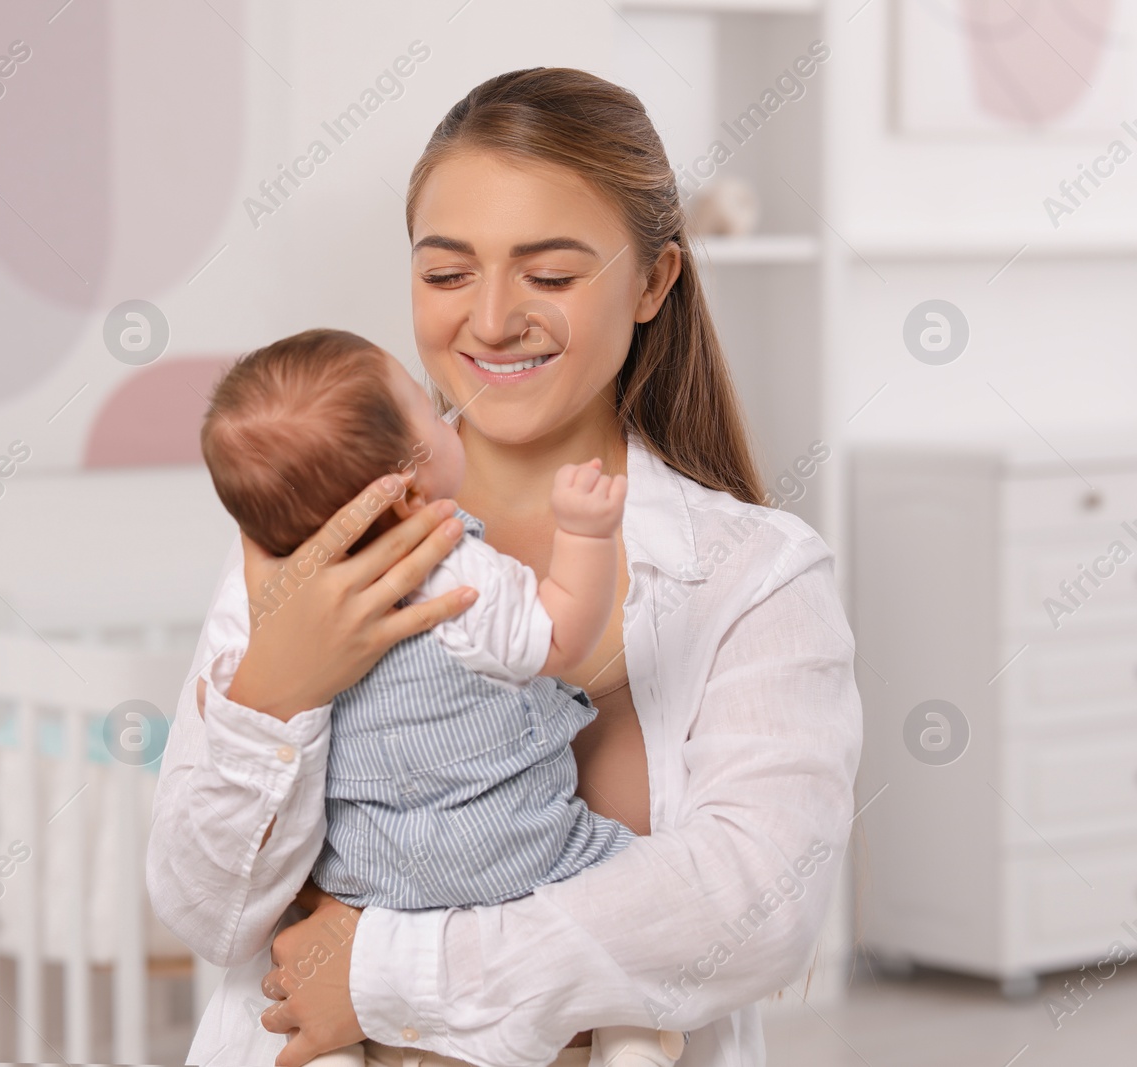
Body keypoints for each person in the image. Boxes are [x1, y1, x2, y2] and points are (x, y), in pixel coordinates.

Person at [148, 67, 862, 1067]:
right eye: (445, 275)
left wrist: (380, 973)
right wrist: (271, 693)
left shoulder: (754, 575)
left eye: (551, 275)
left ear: (654, 280)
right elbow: (212, 920)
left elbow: (752, 905)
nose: (488, 320)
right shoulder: (316, 545)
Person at [194, 328, 684, 1066]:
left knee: (313, 954)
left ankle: (330, 1049)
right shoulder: (457, 569)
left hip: (368, 883)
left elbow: (227, 714)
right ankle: (632, 1037)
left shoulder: (272, 615)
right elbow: (557, 638)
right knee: (632, 893)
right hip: (519, 857)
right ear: (410, 485)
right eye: (429, 409)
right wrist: (585, 534)